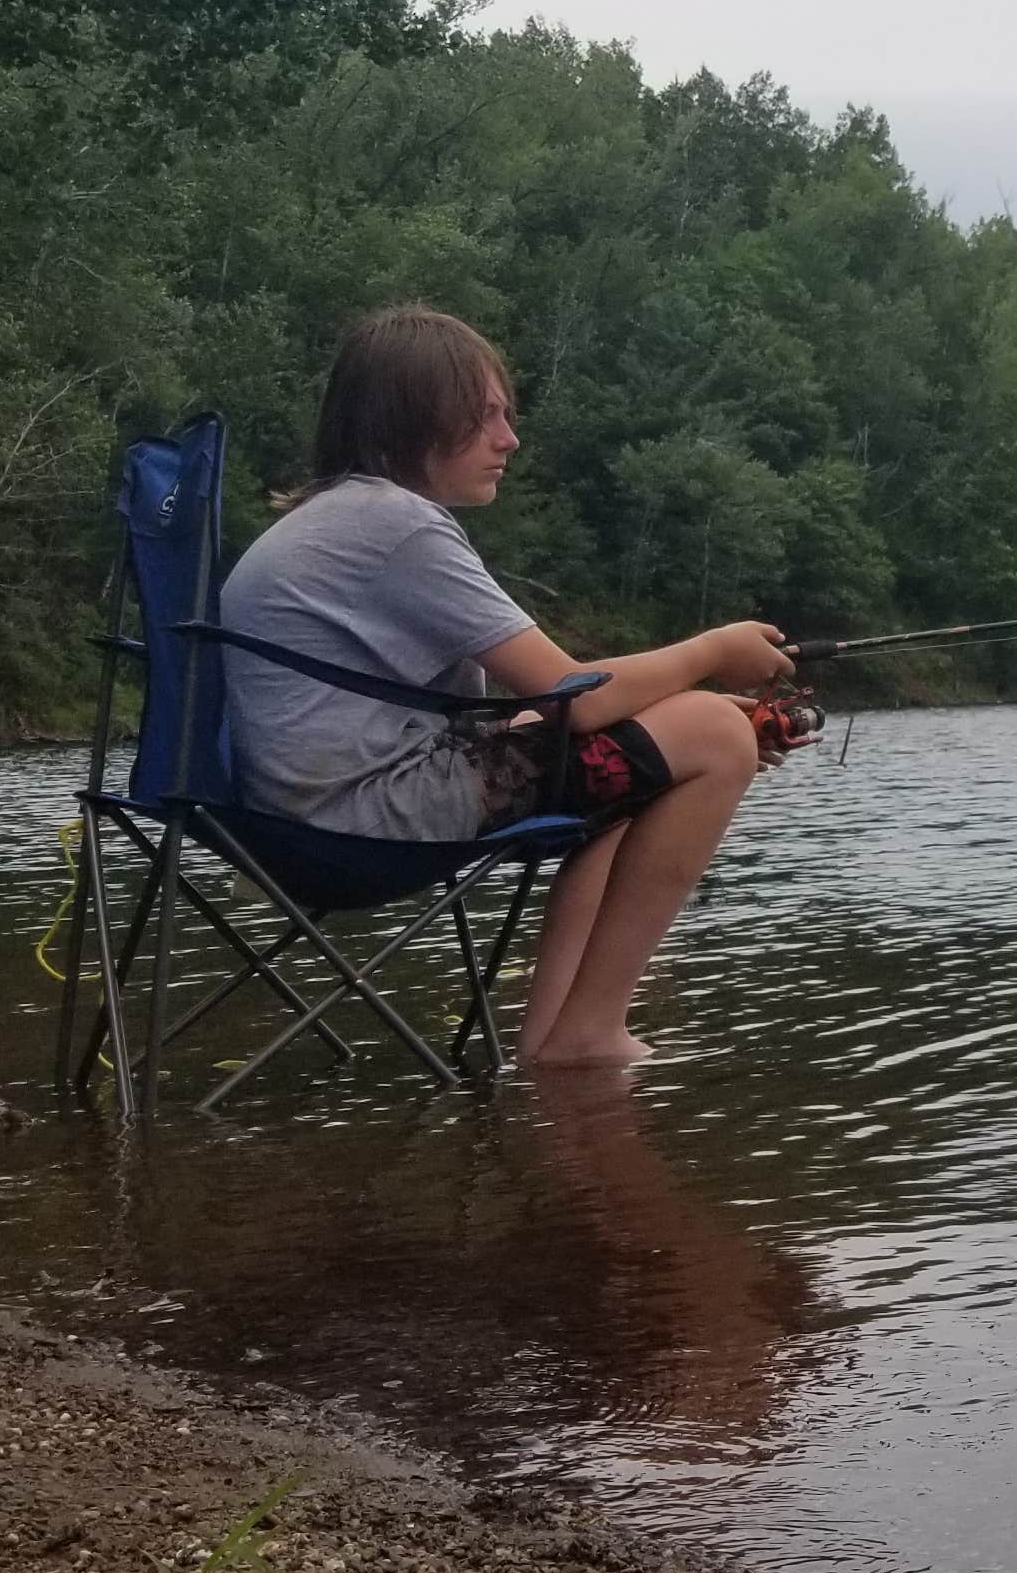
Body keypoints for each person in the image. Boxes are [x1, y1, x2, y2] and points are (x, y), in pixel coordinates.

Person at [220, 303, 794, 1068]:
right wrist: (712, 651)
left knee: (654, 752)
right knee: (718, 741)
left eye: (505, 414)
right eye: (482, 415)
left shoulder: (342, 517)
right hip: (360, 822)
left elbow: (539, 707)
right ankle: (583, 1036)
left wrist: (670, 707)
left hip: (301, 816)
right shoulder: (397, 526)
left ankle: (564, 1039)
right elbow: (574, 693)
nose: (508, 438)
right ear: (410, 421)